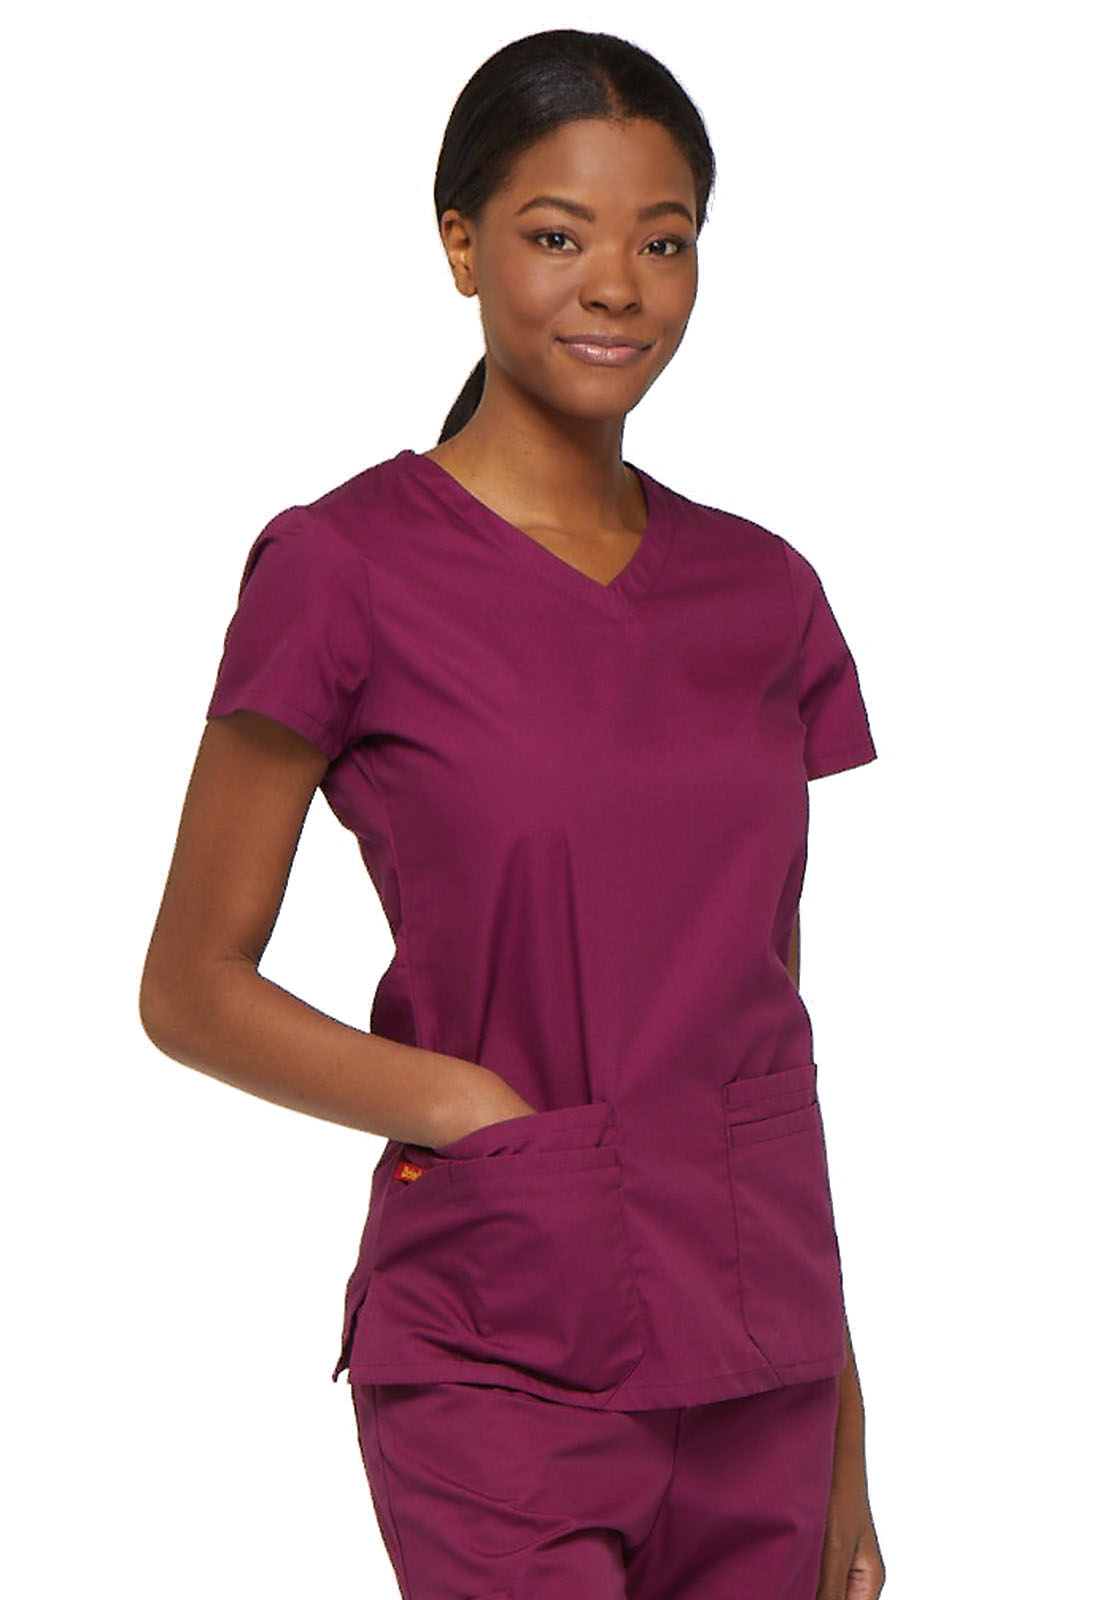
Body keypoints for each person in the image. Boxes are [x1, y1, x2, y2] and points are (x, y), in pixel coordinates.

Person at [139, 26, 886, 1600]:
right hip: (499, 1339)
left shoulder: (764, 592)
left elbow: (768, 1017)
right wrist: (464, 1107)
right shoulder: (343, 569)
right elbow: (189, 986)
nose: (617, 285)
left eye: (663, 242)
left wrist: (844, 1421)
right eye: (558, 236)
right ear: (463, 247)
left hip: (761, 1352)